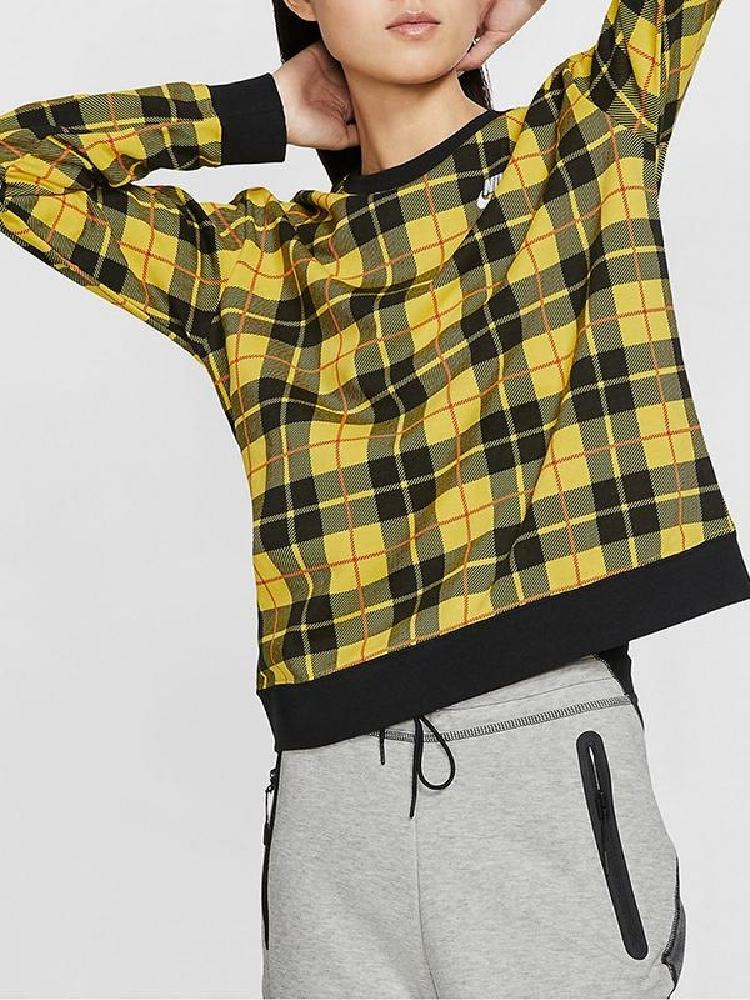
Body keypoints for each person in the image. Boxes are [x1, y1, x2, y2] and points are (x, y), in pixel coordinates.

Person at [0, 0, 746, 996]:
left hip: (540, 768)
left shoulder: (583, 141)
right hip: (331, 806)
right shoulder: (257, 267)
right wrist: (262, 110)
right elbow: (19, 167)